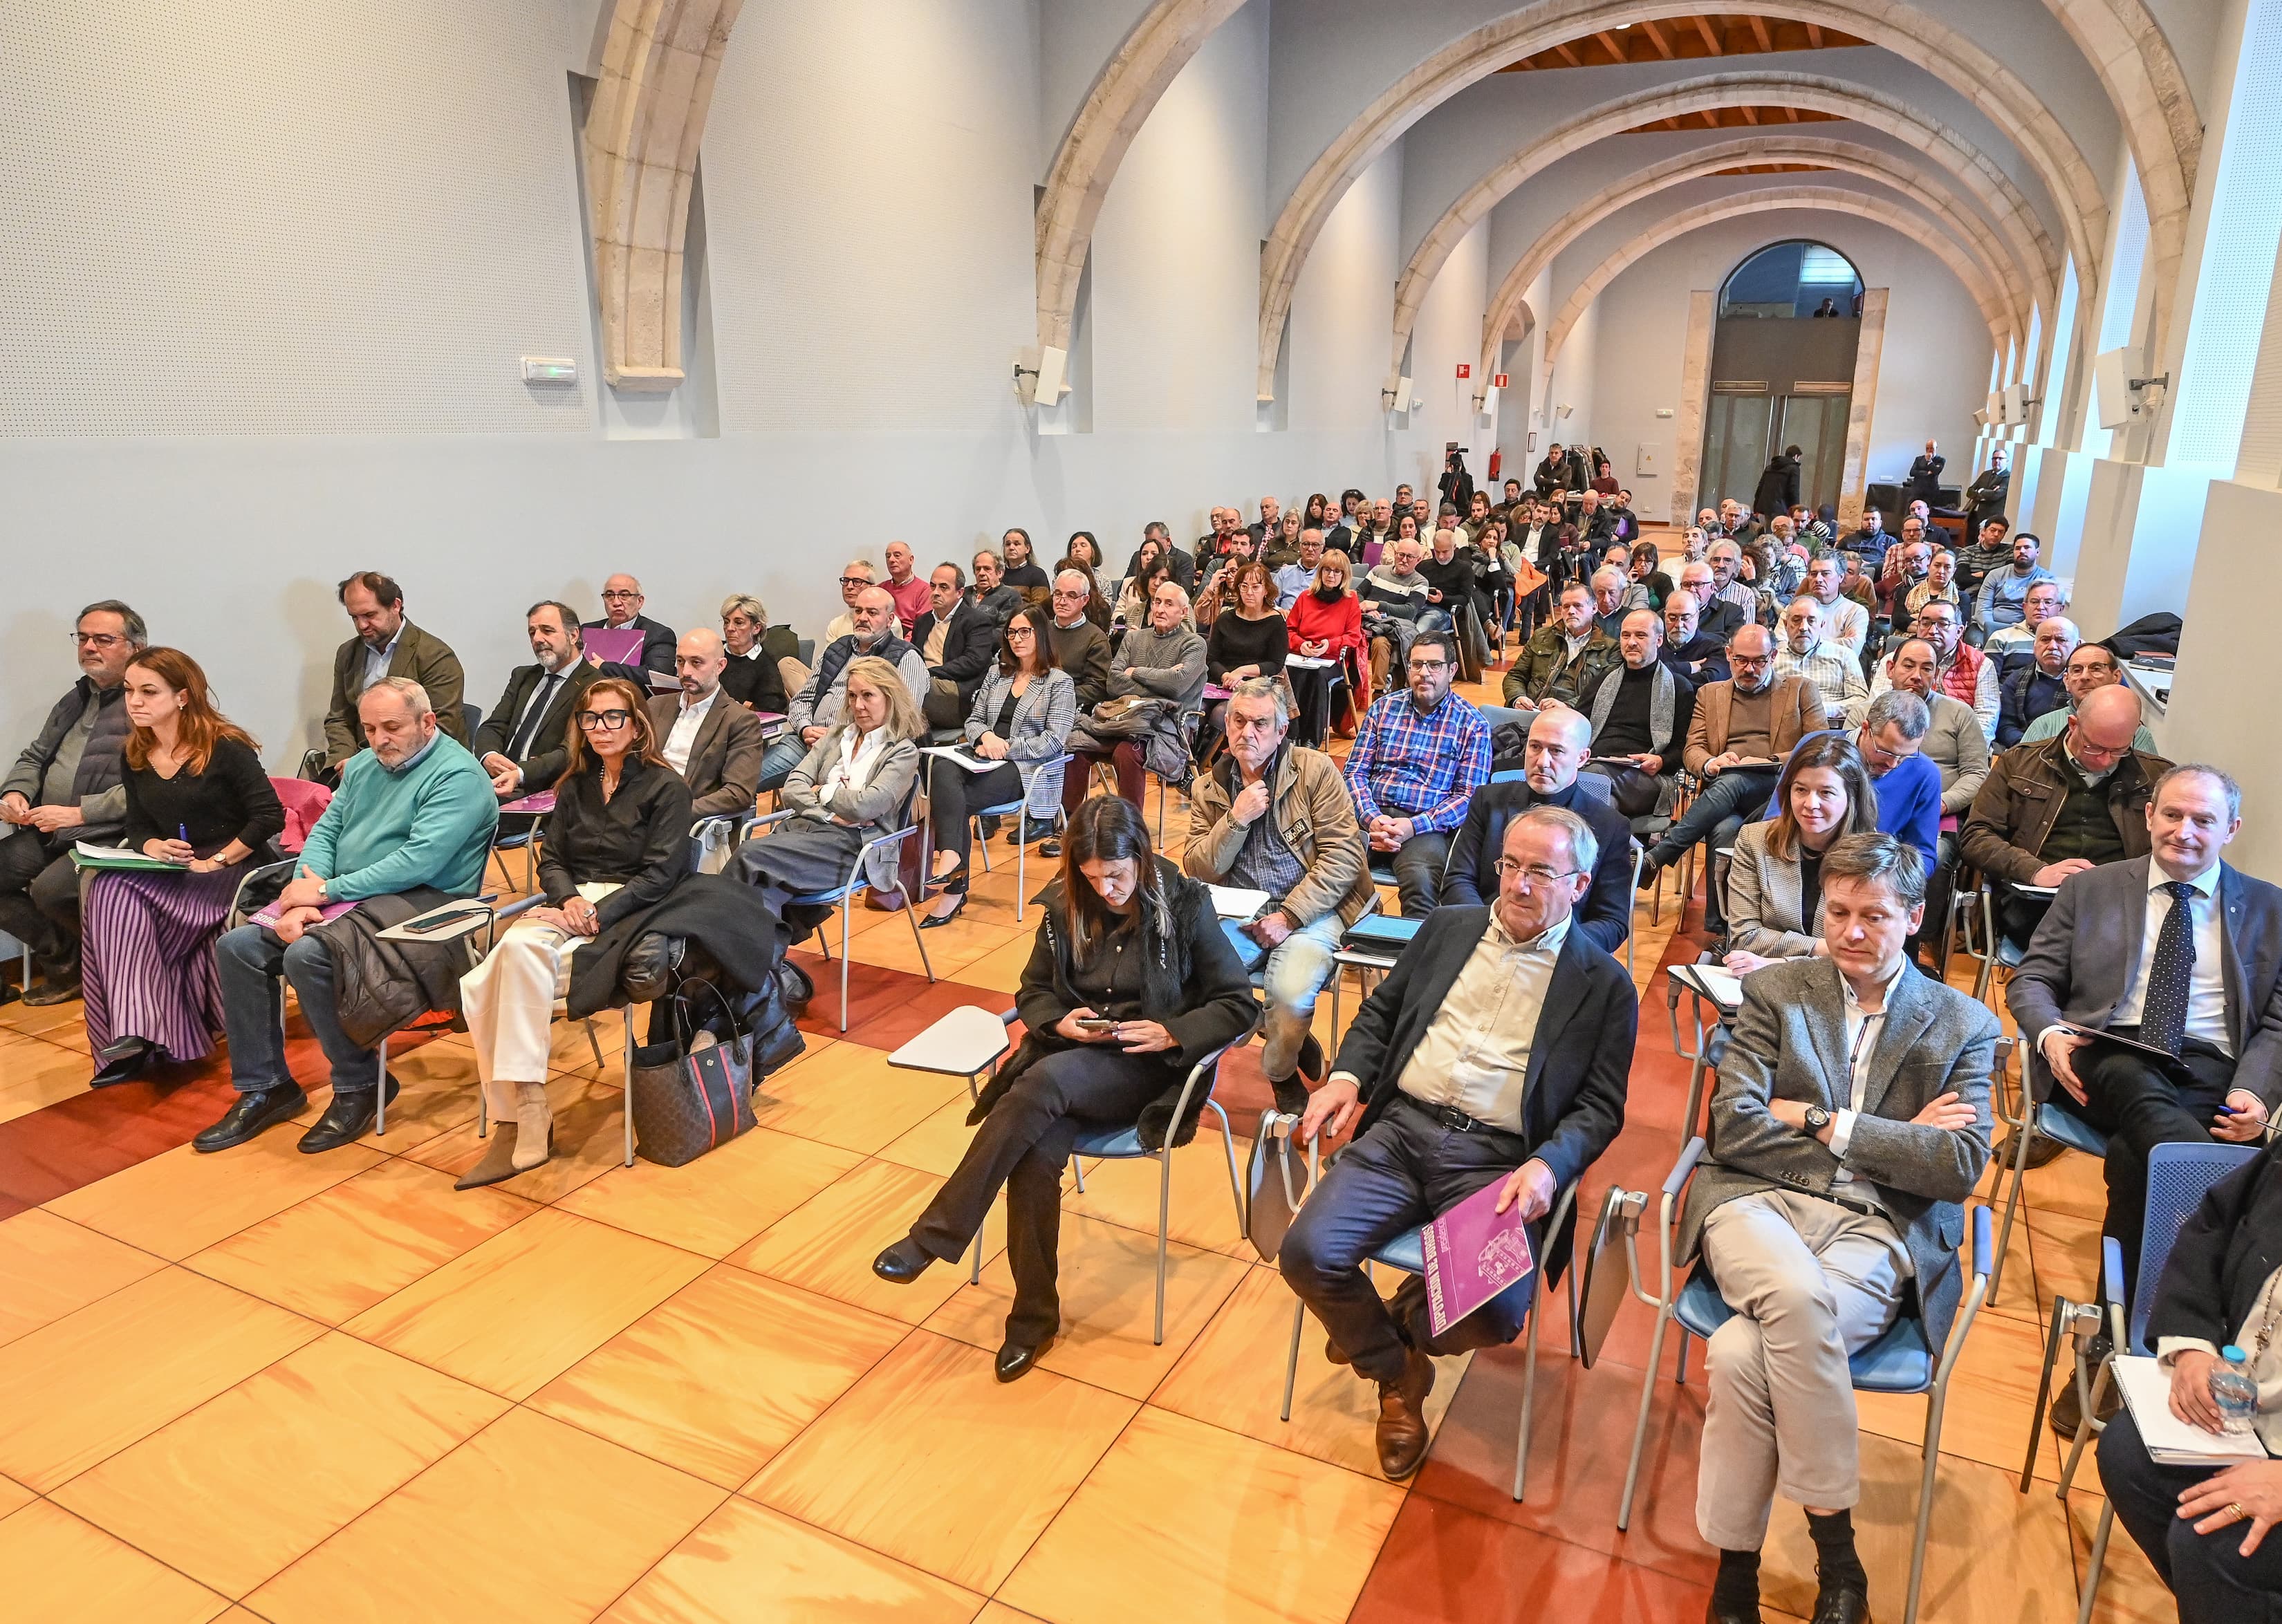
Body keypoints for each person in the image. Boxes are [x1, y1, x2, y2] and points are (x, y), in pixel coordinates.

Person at [1685, 834, 1997, 1624]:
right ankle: (1840, 1558)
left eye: (1873, 916)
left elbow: (1958, 1166)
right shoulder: (1777, 991)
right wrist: (1893, 1143)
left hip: (1877, 1229)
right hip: (1753, 1204)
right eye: (1838, 912)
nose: (1851, 931)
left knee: (1739, 1350)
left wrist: (1825, 1119)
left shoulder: (1963, 1023)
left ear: (1914, 917)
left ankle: (1734, 1575)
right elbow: (1734, 1129)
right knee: (1791, 1294)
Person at [1281, 805, 1635, 1477]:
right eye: (1509, 866)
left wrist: (1549, 1164)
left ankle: (1401, 1329)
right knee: (1306, 1252)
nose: (1519, 884)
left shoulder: (1606, 986)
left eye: (1540, 872)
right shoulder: (1448, 928)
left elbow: (1599, 1106)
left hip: (1496, 1163)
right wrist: (1348, 1077)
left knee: (1495, 1313)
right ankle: (1398, 1373)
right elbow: (1382, 1012)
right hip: (1401, 1132)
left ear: (1579, 886)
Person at [872, 796, 1257, 1380]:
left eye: (1120, 874)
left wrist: (1173, 1030)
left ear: (1143, 857)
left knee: (1041, 1079)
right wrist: (1057, 1022)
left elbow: (1237, 1003)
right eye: (1095, 876)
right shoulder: (1063, 906)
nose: (1108, 888)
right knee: (1034, 1156)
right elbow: (1032, 991)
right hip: (1072, 1058)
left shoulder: (1184, 902)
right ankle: (1032, 1321)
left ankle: (934, 1235)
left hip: (1146, 1067)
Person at [2009, 763, 2281, 1297]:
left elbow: (2278, 1019)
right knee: (2124, 1065)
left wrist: (2254, 1092)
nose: (2185, 831)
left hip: (2207, 1067)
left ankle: (2115, 1344)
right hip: (2096, 1051)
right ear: (2150, 815)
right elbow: (2033, 978)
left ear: (2231, 829)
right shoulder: (2092, 888)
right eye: (2173, 814)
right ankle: (2228, 1197)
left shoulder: (2271, 908)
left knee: (2140, 1161)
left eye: (2204, 820)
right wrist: (2048, 1034)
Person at [196, 678, 498, 1154]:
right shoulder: (362, 766)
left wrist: (323, 890)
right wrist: (301, 896)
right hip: (347, 896)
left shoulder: (457, 776)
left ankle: (358, 1085)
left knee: (310, 955)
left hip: (428, 901)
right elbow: (325, 833)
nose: (380, 740)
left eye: (392, 727)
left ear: (428, 722)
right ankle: (267, 1087)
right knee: (238, 948)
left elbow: (418, 862)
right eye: (370, 728)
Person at [455, 678, 692, 1188]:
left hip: (635, 907)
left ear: (637, 724)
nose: (601, 728)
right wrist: (568, 901)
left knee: (491, 980)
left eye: (613, 717)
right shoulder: (576, 782)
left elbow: (662, 874)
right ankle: (529, 1103)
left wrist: (600, 910)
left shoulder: (666, 787)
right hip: (571, 905)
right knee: (510, 959)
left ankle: (520, 1112)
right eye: (590, 718)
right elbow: (554, 858)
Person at [81, 648, 286, 1086]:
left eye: (148, 691)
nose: (134, 701)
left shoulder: (225, 747)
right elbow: (136, 825)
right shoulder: (136, 752)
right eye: (130, 691)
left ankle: (145, 1028)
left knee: (130, 909)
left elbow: (269, 817)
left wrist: (216, 861)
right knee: (108, 887)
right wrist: (153, 844)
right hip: (177, 867)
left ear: (182, 696)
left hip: (233, 868)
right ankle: (134, 1032)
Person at [2097, 1142, 2282, 1619]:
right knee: (2127, 1454)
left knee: (2214, 1542)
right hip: (2253, 1404)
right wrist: (2194, 1345)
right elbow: (2212, 1225)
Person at [1182, 678, 1371, 1111]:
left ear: (1281, 730)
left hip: (1314, 909)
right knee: (1188, 975)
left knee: (1288, 994)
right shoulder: (1210, 787)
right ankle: (1286, 1035)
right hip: (1240, 910)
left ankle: (1281, 1074)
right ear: (1226, 724)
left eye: (1261, 723)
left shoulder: (1314, 770)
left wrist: (1288, 917)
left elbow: (1343, 858)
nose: (1248, 733)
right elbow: (1198, 867)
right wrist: (1236, 818)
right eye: (1239, 721)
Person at [0, 599, 142, 1005]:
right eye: (82, 638)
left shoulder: (144, 702)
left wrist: (80, 812)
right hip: (49, 829)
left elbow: (151, 788)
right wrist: (16, 793)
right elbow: (34, 757)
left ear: (135, 647)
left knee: (51, 890)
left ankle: (111, 971)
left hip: (107, 832)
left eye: (103, 639)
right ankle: (64, 961)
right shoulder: (76, 698)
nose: (89, 647)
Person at [1636, 627, 1826, 924]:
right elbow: (1693, 748)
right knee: (1724, 829)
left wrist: (1767, 761)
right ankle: (1720, 929)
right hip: (1724, 797)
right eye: (1741, 660)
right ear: (1728, 656)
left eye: (1760, 661)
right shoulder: (1710, 694)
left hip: (1779, 789)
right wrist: (1712, 763)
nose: (1749, 668)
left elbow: (1820, 746)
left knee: (1736, 779)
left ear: (1774, 656)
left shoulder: (1801, 689)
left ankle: (1661, 855)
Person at [1960, 684, 2170, 949]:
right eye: (2095, 748)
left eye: (2119, 750)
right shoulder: (2020, 763)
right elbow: (1976, 836)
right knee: (2080, 949)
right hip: (2039, 901)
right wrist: (2035, 871)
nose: (2106, 760)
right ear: (2073, 724)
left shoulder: (2157, 777)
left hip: (2120, 903)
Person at [737, 656, 923, 926]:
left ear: (890, 698)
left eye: (868, 696)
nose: (858, 706)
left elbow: (867, 806)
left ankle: (711, 956)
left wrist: (823, 791)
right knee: (760, 887)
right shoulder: (837, 736)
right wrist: (827, 814)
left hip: (852, 847)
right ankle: (760, 966)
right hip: (802, 833)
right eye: (852, 696)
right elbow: (793, 786)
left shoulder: (902, 751)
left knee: (747, 855)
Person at [921, 609, 1075, 924]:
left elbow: (1054, 740)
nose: (1016, 638)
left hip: (1025, 767)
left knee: (954, 799)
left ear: (1041, 635)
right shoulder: (997, 674)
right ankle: (952, 863)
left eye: (1024, 632)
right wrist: (987, 735)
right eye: (1011, 633)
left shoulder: (1059, 682)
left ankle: (953, 884)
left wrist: (1003, 748)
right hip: (982, 754)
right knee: (941, 768)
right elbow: (974, 720)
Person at [1440, 707, 1633, 957]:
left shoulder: (1609, 825)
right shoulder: (1488, 801)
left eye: (1556, 751)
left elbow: (1612, 921)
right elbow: (1457, 880)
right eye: (1535, 747)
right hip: (1484, 940)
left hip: (1559, 954)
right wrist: (1487, 933)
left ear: (1582, 758)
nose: (1542, 762)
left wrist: (1554, 948)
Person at [1344, 630, 1490, 916]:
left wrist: (1413, 826)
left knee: (1422, 886)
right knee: (1324, 867)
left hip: (1426, 825)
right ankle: (1348, 945)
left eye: (1434, 665)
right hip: (1370, 815)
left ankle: (1413, 957)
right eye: (1417, 664)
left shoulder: (1473, 724)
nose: (1424, 673)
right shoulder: (1383, 708)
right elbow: (1354, 773)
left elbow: (1468, 798)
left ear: (1452, 670)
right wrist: (1373, 819)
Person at [1057, 579, 1207, 837]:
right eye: (1157, 602)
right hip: (1119, 719)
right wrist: (1160, 681)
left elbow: (1177, 686)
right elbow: (1114, 683)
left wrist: (1136, 672)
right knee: (1076, 745)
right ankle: (1069, 823)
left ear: (1184, 612)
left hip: (1165, 725)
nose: (1160, 608)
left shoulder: (1194, 644)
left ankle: (1129, 828)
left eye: (1168, 604)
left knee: (1127, 752)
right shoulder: (1134, 638)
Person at [1723, 737, 1880, 974]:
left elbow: (1868, 952)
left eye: (1826, 792)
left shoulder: (1874, 856)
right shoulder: (1754, 840)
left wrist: (1777, 963)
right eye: (1801, 790)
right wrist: (1823, 947)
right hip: (1765, 988)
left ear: (1852, 798)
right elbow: (1745, 937)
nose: (1810, 804)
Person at [766, 588, 929, 792]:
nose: (862, 618)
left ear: (890, 620)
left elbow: (905, 722)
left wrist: (838, 738)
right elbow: (802, 699)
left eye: (872, 612)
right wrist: (805, 728)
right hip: (806, 742)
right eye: (858, 611)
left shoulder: (906, 657)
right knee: (745, 778)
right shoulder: (837, 649)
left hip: (855, 752)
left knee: (806, 796)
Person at [322, 572, 467, 772]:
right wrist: (344, 760)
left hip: (420, 768)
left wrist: (366, 764)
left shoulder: (436, 656)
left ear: (395, 606)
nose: (362, 625)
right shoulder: (348, 653)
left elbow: (439, 728)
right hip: (357, 767)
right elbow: (340, 717)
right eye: (354, 617)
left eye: (370, 615)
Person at [471, 601, 602, 801]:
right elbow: (493, 727)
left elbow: (573, 750)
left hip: (541, 788)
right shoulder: (524, 676)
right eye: (532, 632)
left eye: (547, 631)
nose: (538, 639)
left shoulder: (595, 685)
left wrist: (520, 773)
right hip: (496, 781)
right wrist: (488, 755)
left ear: (574, 635)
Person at [1579, 609, 1693, 817]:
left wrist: (1661, 761)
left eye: (1640, 635)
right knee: (1605, 804)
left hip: (1647, 778)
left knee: (1592, 780)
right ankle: (1615, 848)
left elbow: (1684, 748)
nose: (1631, 642)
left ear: (1659, 640)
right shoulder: (1603, 681)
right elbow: (1578, 727)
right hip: (1596, 767)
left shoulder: (1678, 687)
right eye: (1626, 635)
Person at [647, 629, 766, 823]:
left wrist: (676, 811)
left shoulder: (740, 721)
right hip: (641, 811)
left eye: (696, 663)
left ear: (720, 666)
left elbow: (738, 794)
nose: (685, 672)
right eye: (680, 661)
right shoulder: (656, 705)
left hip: (686, 820)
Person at [2018, 640, 2162, 754]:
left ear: (2116, 677)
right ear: (2066, 681)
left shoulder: (2136, 734)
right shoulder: (2043, 727)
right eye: (2077, 670)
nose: (2085, 677)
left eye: (2096, 668)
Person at [1286, 547, 1366, 745]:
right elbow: (1289, 631)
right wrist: (1301, 644)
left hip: (1333, 659)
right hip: (1303, 655)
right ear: (1320, 572)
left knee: (1317, 676)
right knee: (1289, 673)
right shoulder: (1305, 597)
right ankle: (1290, 734)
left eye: (1337, 571)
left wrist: (1329, 645)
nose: (1331, 575)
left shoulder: (1351, 600)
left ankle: (1312, 737)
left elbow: (1353, 637)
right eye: (1327, 570)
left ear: (1344, 575)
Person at [1503, 581, 1619, 711]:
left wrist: (1567, 706)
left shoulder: (1611, 648)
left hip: (1574, 717)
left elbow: (1605, 692)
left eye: (1578, 606)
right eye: (1566, 607)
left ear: (1594, 608)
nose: (1571, 611)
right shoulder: (1541, 637)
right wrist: (1517, 698)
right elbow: (1515, 676)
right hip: (1532, 711)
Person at [1203, 561, 1287, 738]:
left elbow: (1275, 664)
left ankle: (1213, 763)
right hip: (1222, 682)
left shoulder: (1275, 622)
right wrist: (1227, 676)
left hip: (1256, 686)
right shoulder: (1225, 618)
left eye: (1256, 587)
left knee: (1221, 714)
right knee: (1197, 710)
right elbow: (1211, 659)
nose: (1249, 592)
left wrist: (1241, 672)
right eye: (1244, 586)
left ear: (1266, 590)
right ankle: (1191, 764)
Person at [911, 563, 999, 731]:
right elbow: (913, 656)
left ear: (959, 593)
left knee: (907, 686)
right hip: (923, 683)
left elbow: (974, 662)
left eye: (944, 587)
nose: (936, 592)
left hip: (956, 691)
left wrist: (930, 673)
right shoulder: (923, 622)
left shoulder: (976, 620)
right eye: (933, 586)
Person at [1902, 598, 1996, 740]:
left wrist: (1966, 749)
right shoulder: (1895, 659)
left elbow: (1986, 720)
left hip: (1956, 743)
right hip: (1901, 739)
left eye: (1943, 624)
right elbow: (1878, 705)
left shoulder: (1982, 664)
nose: (1932, 631)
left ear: (1959, 631)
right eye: (1925, 624)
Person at [1772, 598, 1868, 718]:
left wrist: (1820, 709)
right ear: (1786, 625)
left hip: (1832, 729)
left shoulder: (1845, 655)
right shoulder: (1773, 659)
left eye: (1811, 621)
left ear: (1822, 625)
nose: (1804, 627)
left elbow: (1861, 702)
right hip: (1782, 727)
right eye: (1796, 621)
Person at [1362, 536, 1434, 691]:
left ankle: (1379, 692)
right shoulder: (1378, 571)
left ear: (1418, 560)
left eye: (1410, 557)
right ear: (1395, 554)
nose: (1404, 560)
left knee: (1381, 643)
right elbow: (1359, 593)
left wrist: (1379, 606)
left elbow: (1409, 611)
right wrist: (1369, 609)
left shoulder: (1420, 582)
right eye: (1401, 555)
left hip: (1395, 630)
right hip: (1366, 622)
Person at [1995, 615, 2079, 748]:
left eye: (2061, 640)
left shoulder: (2090, 682)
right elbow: (2005, 725)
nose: (2052, 646)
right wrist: (2031, 747)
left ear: (2077, 645)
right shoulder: (2016, 680)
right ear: (2034, 646)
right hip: (2026, 750)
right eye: (2045, 640)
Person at [579, 573, 678, 681]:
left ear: (639, 601)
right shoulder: (586, 630)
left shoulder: (658, 635)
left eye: (624, 595)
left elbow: (658, 678)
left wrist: (604, 667)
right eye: (609, 596)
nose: (616, 602)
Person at [1046, 568, 1113, 709]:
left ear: (1085, 600)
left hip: (1067, 707)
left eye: (1071, 596)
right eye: (1058, 594)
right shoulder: (1041, 630)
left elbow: (1097, 688)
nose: (1062, 601)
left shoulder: (1096, 638)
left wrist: (1055, 696)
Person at [718, 592, 797, 713]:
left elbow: (773, 709)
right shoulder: (714, 654)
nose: (730, 628)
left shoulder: (766, 666)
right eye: (726, 622)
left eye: (738, 623)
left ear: (756, 628)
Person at [1972, 531, 2055, 635]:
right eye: (2018, 548)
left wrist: (2018, 633)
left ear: (2037, 552)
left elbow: (2044, 613)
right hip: (1989, 627)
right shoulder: (1996, 575)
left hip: (2027, 630)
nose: (2022, 551)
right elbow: (1983, 608)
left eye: (2027, 547)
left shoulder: (2047, 580)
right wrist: (1993, 631)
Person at [1981, 576, 2064, 666]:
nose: (2040, 607)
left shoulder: (2069, 642)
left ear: (2060, 609)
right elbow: (1988, 678)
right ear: (2024, 607)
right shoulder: (2001, 638)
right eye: (2034, 602)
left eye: (2048, 602)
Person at [1802, 554, 1868, 659]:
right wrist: (1840, 642)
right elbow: (1780, 645)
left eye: (1826, 574)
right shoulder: (1793, 608)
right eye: (1813, 574)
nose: (1818, 579)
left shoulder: (1856, 611)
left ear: (1841, 577)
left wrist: (1803, 642)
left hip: (1836, 671)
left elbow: (1852, 649)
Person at [1661, 590, 1731, 686]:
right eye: (1672, 618)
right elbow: (1637, 674)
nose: (1679, 625)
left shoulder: (1715, 649)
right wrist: (1688, 667)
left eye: (1686, 618)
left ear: (1697, 616)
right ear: (1665, 616)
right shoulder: (1653, 645)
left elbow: (1709, 682)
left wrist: (1659, 676)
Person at [880, 541, 930, 634]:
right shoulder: (880, 589)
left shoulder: (924, 590)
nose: (891, 560)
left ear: (911, 560)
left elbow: (922, 627)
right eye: (888, 556)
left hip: (908, 642)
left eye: (897, 555)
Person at [1962, 448, 2011, 539]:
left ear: (2007, 461)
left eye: (2000, 458)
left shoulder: (2008, 477)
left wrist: (1980, 491)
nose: (1997, 461)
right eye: (1994, 458)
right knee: (1969, 542)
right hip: (1974, 515)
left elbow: (1996, 495)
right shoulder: (1986, 474)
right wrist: (1986, 493)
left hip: (1990, 517)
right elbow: (1970, 491)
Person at [824, 559, 877, 642]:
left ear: (872, 588)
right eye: (846, 581)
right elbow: (830, 655)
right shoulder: (836, 625)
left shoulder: (886, 624)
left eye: (857, 581)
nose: (849, 586)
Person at [1274, 527, 1326, 610]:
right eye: (1306, 544)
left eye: (1315, 545)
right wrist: (1279, 611)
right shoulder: (1285, 572)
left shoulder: (1326, 575)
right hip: (1285, 618)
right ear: (1300, 546)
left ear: (1322, 548)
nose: (1310, 549)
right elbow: (1271, 600)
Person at [969, 549, 1023, 625]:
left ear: (1000, 573)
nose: (981, 573)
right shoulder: (964, 593)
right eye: (978, 569)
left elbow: (1004, 629)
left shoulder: (1010, 595)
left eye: (987, 569)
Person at [1752, 445, 1803, 521]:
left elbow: (1760, 487)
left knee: (1768, 531)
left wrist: (1756, 507)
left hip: (1766, 508)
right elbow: (1794, 491)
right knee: (1781, 531)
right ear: (1796, 456)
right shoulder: (1794, 469)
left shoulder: (1770, 467)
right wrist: (1795, 510)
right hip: (1782, 509)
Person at [1000, 528, 1050, 593]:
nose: (1011, 548)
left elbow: (1040, 603)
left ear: (1027, 549)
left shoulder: (1037, 574)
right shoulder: (998, 575)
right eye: (1008, 544)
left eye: (1017, 544)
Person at [1903, 440, 1946, 511]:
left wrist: (1929, 461)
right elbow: (1912, 472)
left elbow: (1936, 471)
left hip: (1930, 492)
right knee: (1911, 509)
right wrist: (1926, 473)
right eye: (1927, 448)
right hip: (1917, 491)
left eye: (1932, 448)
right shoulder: (1919, 459)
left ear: (1936, 448)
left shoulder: (1940, 460)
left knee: (1926, 511)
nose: (1929, 450)